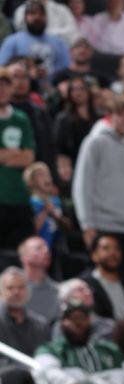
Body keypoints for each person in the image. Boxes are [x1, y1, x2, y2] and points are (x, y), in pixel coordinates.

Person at [72, 95, 124, 284]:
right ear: (110, 116)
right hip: (105, 225)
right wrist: (87, 224)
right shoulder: (95, 143)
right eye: (119, 114)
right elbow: (83, 185)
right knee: (103, 284)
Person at [0, 67, 36, 251]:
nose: (2, 89)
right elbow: (22, 154)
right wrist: (15, 153)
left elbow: (28, 157)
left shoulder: (21, 118)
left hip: (20, 198)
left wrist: (4, 155)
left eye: (6, 84)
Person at [79, 234, 124, 321]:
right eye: (106, 248)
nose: (112, 253)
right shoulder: (84, 285)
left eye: (117, 248)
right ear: (94, 255)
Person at [0, 1, 69, 80]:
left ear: (46, 17)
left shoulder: (58, 42)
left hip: (51, 87)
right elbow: (2, 69)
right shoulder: (12, 41)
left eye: (41, 14)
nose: (37, 17)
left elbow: (65, 71)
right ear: (25, 17)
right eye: (32, 14)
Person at [0, 267, 51, 360]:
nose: (16, 292)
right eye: (10, 288)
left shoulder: (41, 325)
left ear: (28, 291)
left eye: (21, 287)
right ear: (0, 292)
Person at [18, 236, 60, 324]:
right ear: (24, 257)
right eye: (39, 248)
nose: (46, 251)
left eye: (46, 247)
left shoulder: (58, 290)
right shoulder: (9, 288)